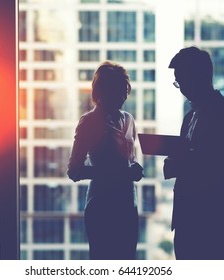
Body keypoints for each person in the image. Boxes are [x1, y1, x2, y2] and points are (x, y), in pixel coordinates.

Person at [164, 46, 224, 260]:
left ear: (197, 77)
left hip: (210, 217)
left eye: (181, 81)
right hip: (188, 216)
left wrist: (180, 164)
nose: (181, 89)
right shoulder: (192, 117)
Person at [67, 61, 143, 260]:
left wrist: (133, 168)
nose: (122, 96)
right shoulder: (89, 122)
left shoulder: (128, 119)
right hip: (102, 206)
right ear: (101, 91)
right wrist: (118, 173)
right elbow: (74, 171)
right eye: (117, 90)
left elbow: (127, 160)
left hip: (127, 204)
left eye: (124, 90)